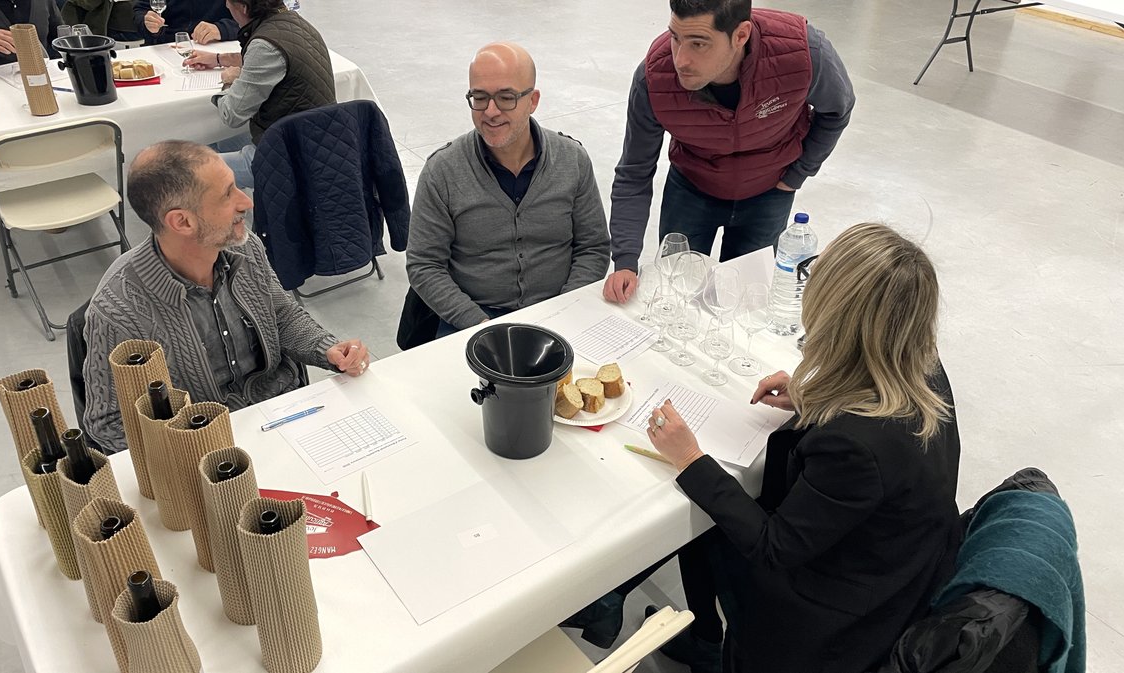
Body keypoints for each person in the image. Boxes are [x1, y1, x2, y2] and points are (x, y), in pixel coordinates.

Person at [645, 222, 962, 673]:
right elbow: (875, 406)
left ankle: (706, 642)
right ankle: (702, 637)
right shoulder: (922, 363)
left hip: (838, 618)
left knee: (706, 523)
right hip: (903, 566)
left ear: (838, 312)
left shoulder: (856, 447)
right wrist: (816, 396)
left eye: (813, 274)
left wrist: (690, 458)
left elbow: (774, 548)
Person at [82, 141, 369, 453]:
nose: (246, 202)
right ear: (183, 222)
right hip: (207, 450)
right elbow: (108, 424)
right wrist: (193, 448)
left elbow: (282, 316)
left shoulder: (245, 248)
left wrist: (327, 350)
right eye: (228, 194)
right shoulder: (118, 310)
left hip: (283, 414)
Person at [603, 0, 855, 304]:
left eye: (699, 43)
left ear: (740, 35)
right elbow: (634, 171)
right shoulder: (654, 79)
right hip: (692, 188)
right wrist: (626, 260)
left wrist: (798, 174)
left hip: (769, 192)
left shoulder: (803, 54)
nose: (680, 59)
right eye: (675, 38)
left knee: (745, 301)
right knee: (677, 297)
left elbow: (838, 110)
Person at [406, 42, 610, 337]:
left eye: (506, 98)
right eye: (479, 97)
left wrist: (568, 310)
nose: (490, 111)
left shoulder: (572, 160)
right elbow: (424, 265)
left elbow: (593, 247)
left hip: (562, 309)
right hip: (472, 319)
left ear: (533, 100)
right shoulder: (443, 172)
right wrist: (480, 325)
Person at [181, 0, 334, 190]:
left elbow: (231, 115)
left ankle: (221, 214)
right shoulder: (293, 23)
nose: (227, 6)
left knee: (185, 170)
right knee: (219, 141)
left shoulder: (265, 46)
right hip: (314, 143)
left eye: (229, 2)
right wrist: (219, 59)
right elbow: (264, 55)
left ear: (244, 8)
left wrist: (229, 81)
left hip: (286, 159)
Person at [133, 0, 237, 45]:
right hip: (165, 46)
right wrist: (147, 22)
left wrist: (222, 29)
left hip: (214, 47)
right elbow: (141, 9)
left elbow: (250, 18)